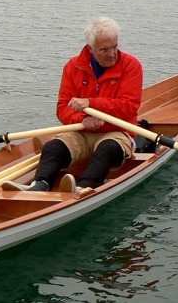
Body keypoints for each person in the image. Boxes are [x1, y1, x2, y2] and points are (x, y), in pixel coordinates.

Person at [15, 16, 143, 195]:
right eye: (105, 50)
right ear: (90, 48)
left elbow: (129, 107)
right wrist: (84, 120)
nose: (112, 54)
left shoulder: (131, 66)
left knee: (107, 149)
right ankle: (40, 184)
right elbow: (62, 109)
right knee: (53, 147)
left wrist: (91, 103)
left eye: (115, 47)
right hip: (81, 130)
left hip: (116, 131)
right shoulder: (73, 66)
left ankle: (83, 188)